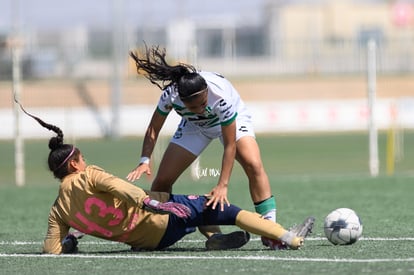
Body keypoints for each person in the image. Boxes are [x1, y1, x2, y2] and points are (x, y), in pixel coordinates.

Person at [16, 100, 315, 254]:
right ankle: (286, 237)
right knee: (222, 207)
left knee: (199, 210)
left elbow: (51, 250)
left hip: (148, 242)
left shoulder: (58, 210)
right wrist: (153, 203)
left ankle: (215, 239)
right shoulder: (88, 176)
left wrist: (68, 244)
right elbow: (120, 188)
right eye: (81, 158)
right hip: (159, 218)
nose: (86, 161)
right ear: (73, 165)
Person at [126, 45, 281, 249]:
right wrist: (144, 160)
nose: (200, 109)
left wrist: (222, 185)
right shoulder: (171, 95)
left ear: (207, 91)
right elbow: (153, 129)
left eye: (202, 103)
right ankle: (154, 231)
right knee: (162, 181)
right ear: (181, 100)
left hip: (230, 122)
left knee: (252, 163)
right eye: (193, 107)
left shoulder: (220, 98)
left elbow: (230, 146)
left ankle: (270, 228)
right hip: (194, 127)